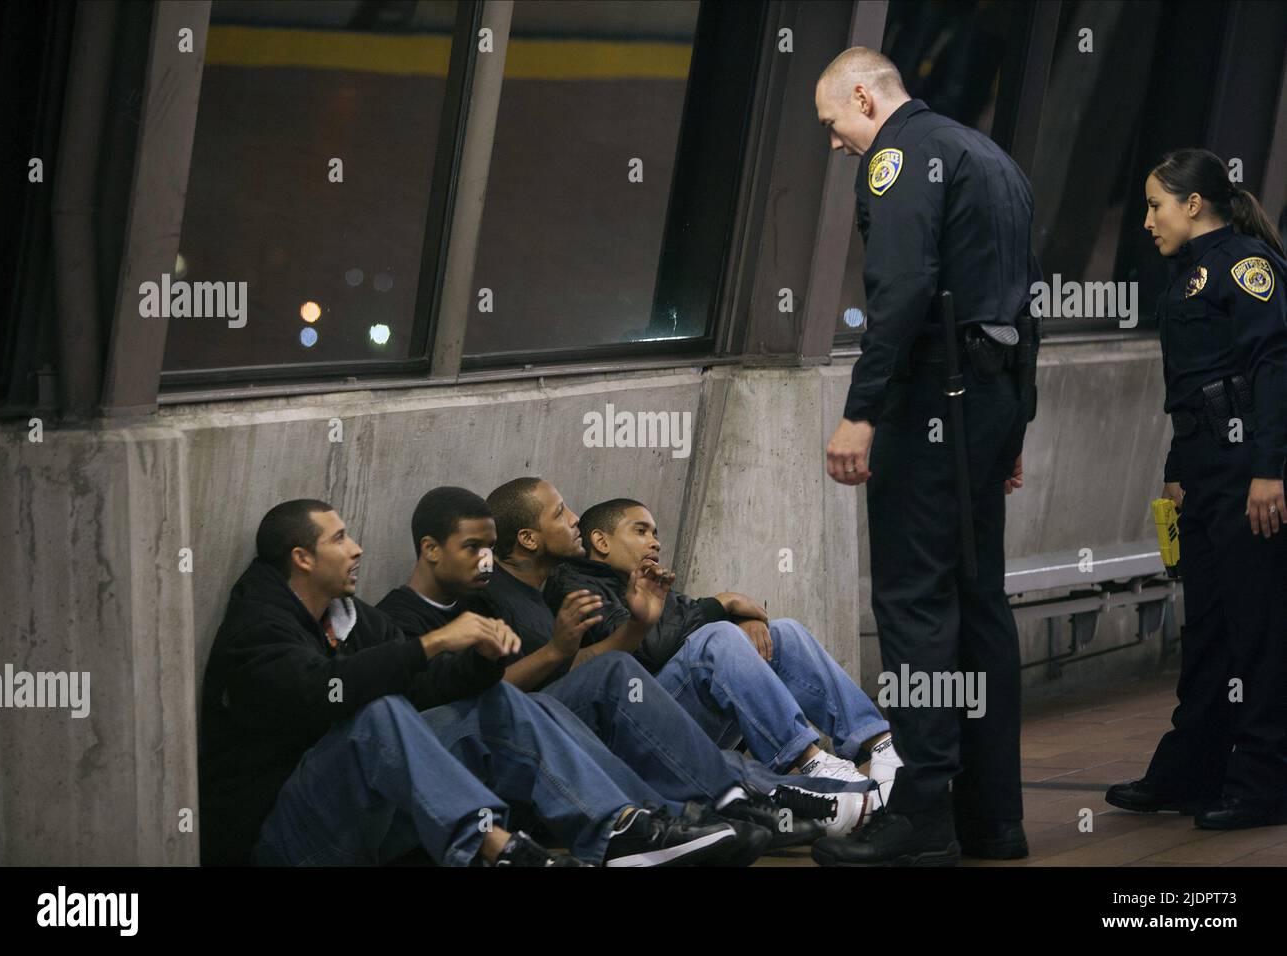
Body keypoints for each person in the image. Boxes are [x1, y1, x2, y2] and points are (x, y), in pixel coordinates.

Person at [199, 498, 741, 867]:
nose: (357, 548)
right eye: (340, 538)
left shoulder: (350, 615)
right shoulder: (257, 626)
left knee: (498, 698)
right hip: (285, 837)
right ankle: (502, 851)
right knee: (379, 717)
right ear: (301, 557)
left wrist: (481, 659)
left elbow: (429, 688)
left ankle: (630, 826)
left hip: (363, 815)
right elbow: (317, 691)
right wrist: (433, 643)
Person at [812, 47, 1040, 866]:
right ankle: (993, 819)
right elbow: (1027, 306)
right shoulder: (992, 157)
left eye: (834, 123)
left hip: (931, 403)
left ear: (866, 98)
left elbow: (902, 290)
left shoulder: (902, 156)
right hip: (988, 402)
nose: (837, 142)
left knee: (915, 605)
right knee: (980, 604)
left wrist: (861, 414)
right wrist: (1013, 431)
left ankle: (922, 816)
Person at [379, 485, 859, 846]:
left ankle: (829, 791)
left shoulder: (514, 597)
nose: (573, 521)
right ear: (431, 549)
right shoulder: (408, 616)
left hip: (572, 725)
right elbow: (469, 701)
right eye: (472, 547)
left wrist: (633, 624)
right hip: (509, 751)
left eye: (487, 546)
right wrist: (563, 650)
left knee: (734, 705)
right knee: (685, 657)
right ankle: (739, 800)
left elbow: (570, 669)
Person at [1106, 149, 1287, 829]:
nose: (1147, 219)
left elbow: (1273, 369)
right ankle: (1194, 769)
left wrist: (1270, 472)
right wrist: (1177, 472)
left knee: (1258, 630)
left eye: (1156, 204)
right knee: (1208, 628)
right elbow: (1187, 389)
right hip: (1207, 474)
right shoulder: (1185, 277)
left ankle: (1265, 781)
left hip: (1250, 476)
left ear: (1193, 204)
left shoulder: (1245, 266)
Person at [546, 497, 902, 816]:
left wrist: (740, 618)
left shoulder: (650, 581)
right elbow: (646, 647)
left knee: (783, 633)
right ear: (601, 541)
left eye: (655, 533)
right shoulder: (576, 583)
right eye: (640, 531)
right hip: (639, 732)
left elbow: (685, 623)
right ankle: (809, 762)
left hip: (687, 720)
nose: (654, 542)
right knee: (716, 639)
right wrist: (722, 604)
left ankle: (878, 745)